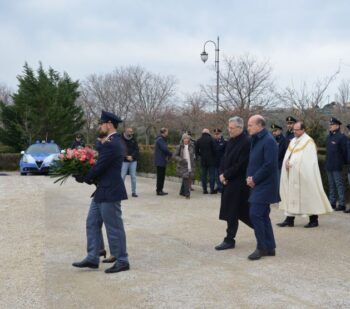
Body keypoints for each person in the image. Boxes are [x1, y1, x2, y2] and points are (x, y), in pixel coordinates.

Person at [72, 110, 129, 274]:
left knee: (114, 226)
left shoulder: (113, 143)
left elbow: (100, 166)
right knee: (92, 222)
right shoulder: (110, 142)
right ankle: (92, 256)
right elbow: (100, 163)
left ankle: (122, 260)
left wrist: (85, 177)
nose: (99, 126)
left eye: (101, 124)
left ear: (109, 124)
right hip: (102, 190)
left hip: (110, 190)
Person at [278, 121, 333, 227]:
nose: (294, 131)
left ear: (303, 130)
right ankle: (289, 219)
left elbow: (309, 161)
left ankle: (313, 220)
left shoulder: (308, 142)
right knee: (291, 196)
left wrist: (293, 164)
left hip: (305, 175)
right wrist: (287, 162)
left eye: (297, 130)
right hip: (292, 174)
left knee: (309, 195)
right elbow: (289, 155)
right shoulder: (293, 140)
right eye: (294, 129)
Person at [215, 117, 253, 250]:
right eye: (229, 128)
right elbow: (224, 159)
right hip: (228, 181)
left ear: (240, 128)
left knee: (240, 211)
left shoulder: (246, 142)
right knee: (232, 212)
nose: (229, 130)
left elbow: (241, 165)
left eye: (231, 128)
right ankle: (230, 239)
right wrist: (221, 174)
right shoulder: (230, 141)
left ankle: (261, 230)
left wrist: (226, 175)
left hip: (238, 184)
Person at [246, 115, 279, 260]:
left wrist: (254, 178)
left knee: (255, 214)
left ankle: (262, 247)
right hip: (258, 183)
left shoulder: (268, 140)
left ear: (260, 125)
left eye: (250, 125)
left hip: (265, 184)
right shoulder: (257, 139)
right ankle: (270, 247)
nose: (248, 127)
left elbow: (269, 164)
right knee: (263, 215)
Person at [326, 117, 348, 211]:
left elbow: (345, 152)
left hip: (337, 165)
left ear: (337, 126)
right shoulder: (329, 137)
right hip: (329, 165)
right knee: (331, 185)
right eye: (330, 124)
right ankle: (332, 203)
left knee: (339, 184)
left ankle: (342, 204)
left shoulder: (342, 137)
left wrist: (343, 163)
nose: (330, 126)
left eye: (332, 124)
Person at [195, 128, 217, 194]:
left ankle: (204, 190)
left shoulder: (198, 140)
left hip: (203, 160)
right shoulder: (212, 139)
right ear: (208, 133)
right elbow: (215, 150)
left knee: (203, 175)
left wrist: (201, 155)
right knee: (212, 175)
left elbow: (196, 151)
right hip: (211, 160)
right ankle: (212, 190)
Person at [174, 133, 196, 199]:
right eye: (184, 138)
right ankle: (187, 194)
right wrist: (181, 159)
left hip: (190, 164)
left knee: (187, 178)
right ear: (182, 139)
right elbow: (175, 155)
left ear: (189, 139)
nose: (186, 140)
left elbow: (194, 154)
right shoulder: (179, 146)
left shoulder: (192, 146)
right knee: (186, 178)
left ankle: (182, 192)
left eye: (187, 138)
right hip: (183, 165)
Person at [121, 127, 140, 198]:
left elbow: (137, 150)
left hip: (133, 161)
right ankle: (121, 192)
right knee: (122, 176)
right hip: (124, 161)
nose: (130, 133)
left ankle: (134, 192)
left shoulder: (134, 139)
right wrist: (126, 156)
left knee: (133, 177)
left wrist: (132, 156)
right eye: (129, 131)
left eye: (131, 132)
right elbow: (119, 149)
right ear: (125, 131)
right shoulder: (121, 139)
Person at [154, 128, 173, 196]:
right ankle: (159, 191)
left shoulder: (160, 139)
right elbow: (165, 149)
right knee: (160, 176)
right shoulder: (160, 140)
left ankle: (160, 190)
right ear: (164, 132)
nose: (168, 133)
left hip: (161, 160)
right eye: (167, 132)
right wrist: (171, 154)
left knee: (161, 176)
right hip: (160, 161)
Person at [213, 128, 227, 193]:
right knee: (216, 176)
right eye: (215, 134)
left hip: (222, 162)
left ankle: (222, 188)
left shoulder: (224, 142)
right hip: (215, 162)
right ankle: (219, 187)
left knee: (221, 175)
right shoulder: (213, 142)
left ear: (220, 134)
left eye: (217, 134)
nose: (216, 135)